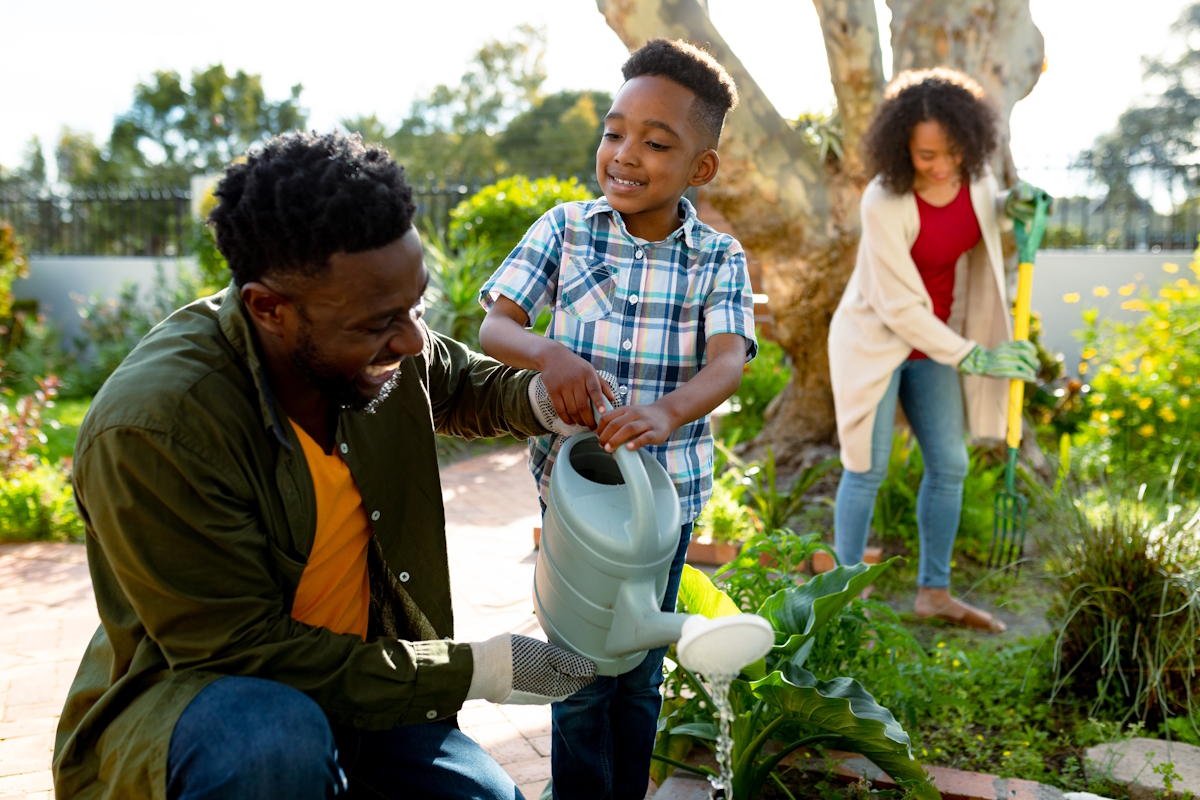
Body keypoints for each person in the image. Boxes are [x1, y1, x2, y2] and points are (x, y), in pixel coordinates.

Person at [52, 131, 597, 800]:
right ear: (268, 307)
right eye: (378, 324)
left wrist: (552, 400)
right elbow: (246, 651)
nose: (412, 339)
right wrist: (478, 670)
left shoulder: (375, 336)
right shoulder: (155, 428)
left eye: (416, 305)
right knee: (271, 746)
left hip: (369, 685)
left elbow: (455, 382)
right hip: (213, 709)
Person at [478, 38, 757, 800]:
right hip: (572, 502)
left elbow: (729, 360)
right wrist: (549, 357)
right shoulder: (565, 229)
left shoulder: (717, 258)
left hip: (661, 508)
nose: (625, 154)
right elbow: (495, 327)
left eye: (656, 142)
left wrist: (668, 412)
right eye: (614, 131)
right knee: (577, 674)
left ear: (701, 167)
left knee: (635, 672)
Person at [828, 68, 1043, 633]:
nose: (941, 165)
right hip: (875, 341)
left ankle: (934, 593)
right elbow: (899, 309)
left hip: (935, 342)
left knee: (951, 463)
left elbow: (977, 215)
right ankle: (840, 606)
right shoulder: (883, 199)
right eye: (926, 156)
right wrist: (974, 355)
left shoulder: (972, 179)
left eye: (951, 152)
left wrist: (1011, 206)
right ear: (901, 148)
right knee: (866, 468)